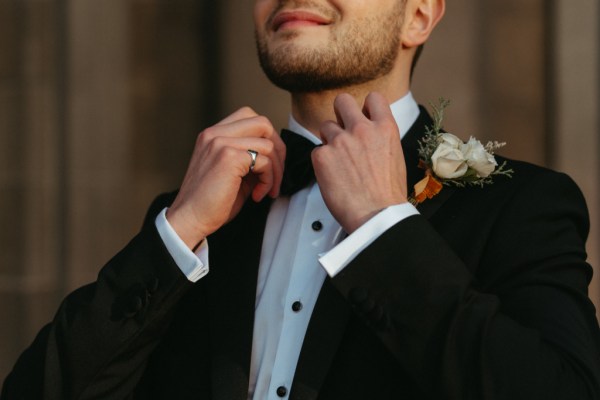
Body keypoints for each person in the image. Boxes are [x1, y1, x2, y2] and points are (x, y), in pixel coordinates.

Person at [2, 0, 600, 398]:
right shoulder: (198, 223)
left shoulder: (523, 206)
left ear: (418, 14)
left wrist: (384, 230)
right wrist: (176, 232)